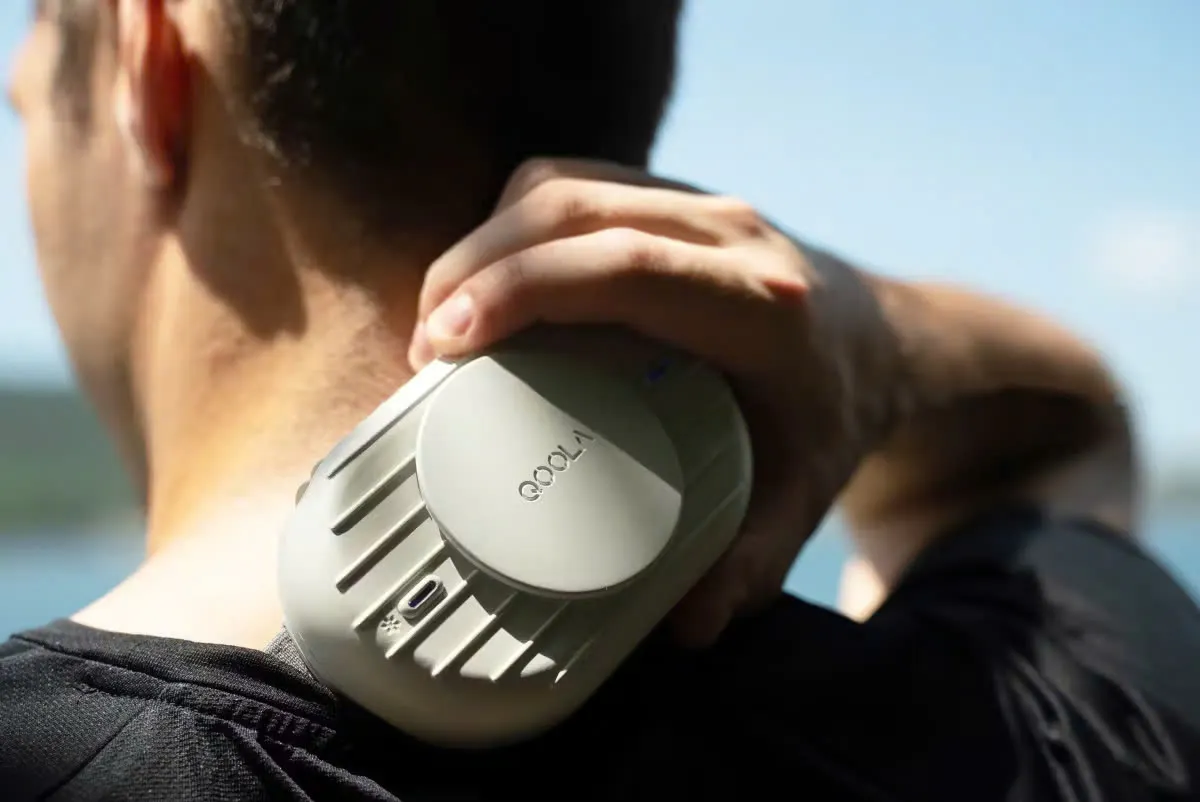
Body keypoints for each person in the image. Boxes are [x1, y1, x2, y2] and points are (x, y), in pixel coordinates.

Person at [2, 1, 1198, 800]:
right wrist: (874, 339)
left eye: (23, 103)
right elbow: (1066, 438)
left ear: (148, 61)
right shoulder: (1042, 725)